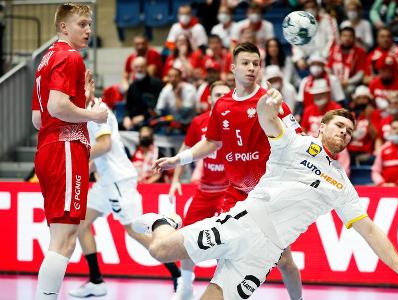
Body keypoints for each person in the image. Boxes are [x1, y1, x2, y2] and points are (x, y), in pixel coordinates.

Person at [133, 108, 398, 299]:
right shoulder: (295, 143)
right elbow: (270, 122)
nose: (344, 133)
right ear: (322, 127)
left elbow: (370, 231)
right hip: (242, 223)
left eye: (348, 131)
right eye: (339, 126)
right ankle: (164, 221)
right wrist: (267, 105)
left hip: (264, 254)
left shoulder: (342, 185)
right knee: (160, 250)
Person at [151, 43, 303, 300]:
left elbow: (299, 140)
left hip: (268, 194)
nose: (252, 68)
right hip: (236, 195)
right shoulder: (222, 106)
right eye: (246, 63)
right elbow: (211, 143)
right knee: (227, 255)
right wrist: (178, 159)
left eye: (256, 63)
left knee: (284, 261)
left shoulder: (271, 101)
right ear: (233, 68)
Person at [31, 4, 108, 299]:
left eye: (90, 24)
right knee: (65, 239)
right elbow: (57, 107)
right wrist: (94, 115)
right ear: (64, 27)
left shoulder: (45, 59)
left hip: (48, 148)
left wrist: (83, 98)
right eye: (82, 24)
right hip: (65, 147)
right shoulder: (70, 56)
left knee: (61, 237)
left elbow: (39, 118)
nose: (88, 30)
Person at [68, 102, 180, 297]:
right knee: (81, 222)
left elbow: (104, 146)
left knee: (135, 232)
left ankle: (178, 275)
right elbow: (100, 159)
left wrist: (72, 155)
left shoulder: (97, 110)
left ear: (89, 85)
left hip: (118, 181)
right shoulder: (87, 113)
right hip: (107, 182)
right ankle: (96, 281)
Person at [170, 81, 231, 300]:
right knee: (187, 239)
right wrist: (176, 179)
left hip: (229, 191)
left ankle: (224, 289)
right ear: (209, 99)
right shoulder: (199, 122)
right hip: (205, 190)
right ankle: (186, 287)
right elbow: (186, 149)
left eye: (226, 94)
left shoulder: (237, 119)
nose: (221, 97)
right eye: (217, 94)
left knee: (229, 242)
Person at [122, 57, 163, 131]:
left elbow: (157, 106)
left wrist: (143, 116)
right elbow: (128, 106)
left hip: (150, 119)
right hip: (133, 120)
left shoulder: (156, 83)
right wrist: (127, 117)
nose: (139, 69)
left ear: (146, 67)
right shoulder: (132, 86)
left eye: (142, 66)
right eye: (136, 67)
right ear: (133, 69)